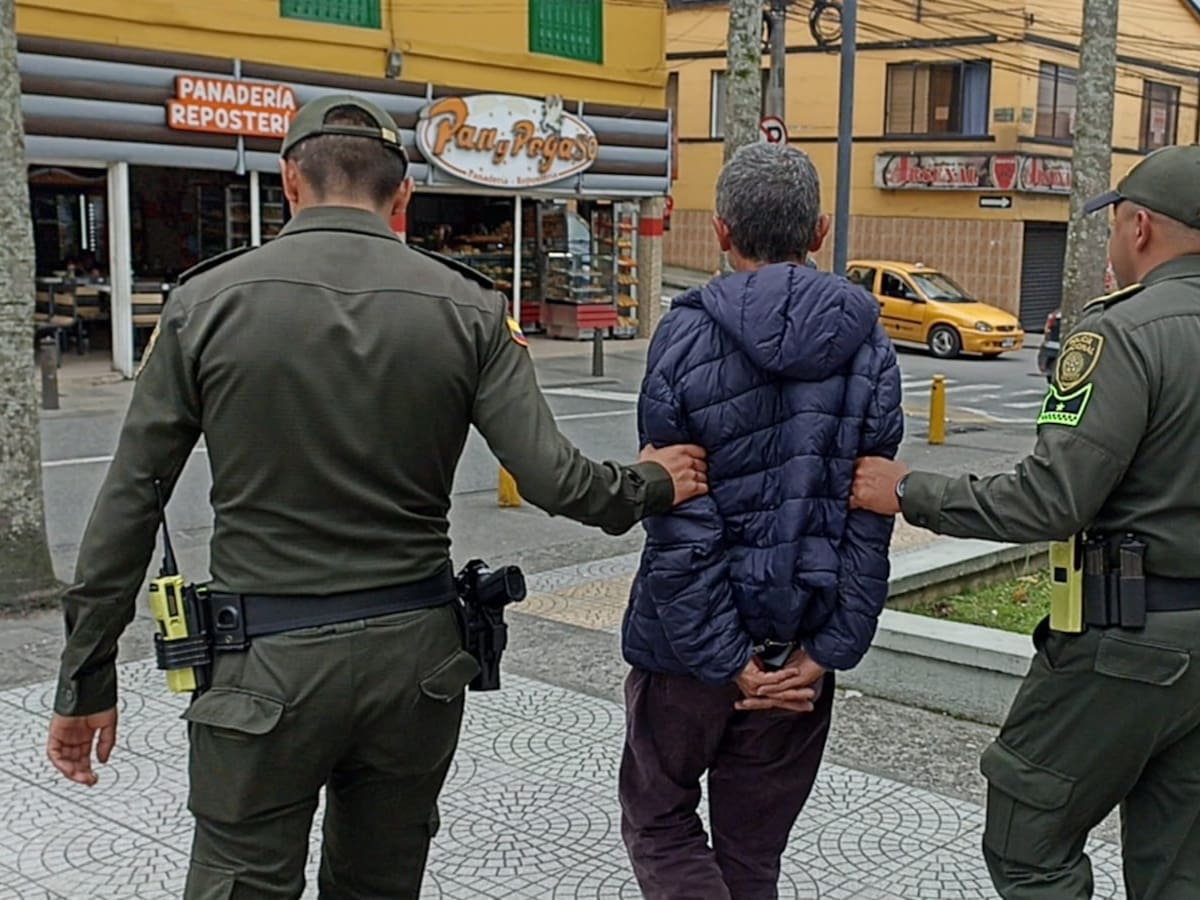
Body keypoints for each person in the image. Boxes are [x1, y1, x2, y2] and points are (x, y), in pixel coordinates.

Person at [45, 95, 709, 900]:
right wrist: (651, 482)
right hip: (417, 663)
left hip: (263, 669)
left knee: (239, 882)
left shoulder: (204, 304)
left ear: (290, 182)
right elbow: (554, 478)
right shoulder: (470, 307)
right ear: (403, 198)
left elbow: (130, 499)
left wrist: (87, 681)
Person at [851, 144, 1200, 898]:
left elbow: (1051, 500)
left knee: (1026, 834)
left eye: (1115, 228)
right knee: (1179, 864)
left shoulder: (1124, 331)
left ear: (1140, 227)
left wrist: (910, 490)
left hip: (1128, 644)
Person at [619, 142, 904, 900]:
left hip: (683, 646)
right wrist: (829, 648)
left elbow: (677, 510)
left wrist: (721, 655)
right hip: (799, 643)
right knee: (752, 854)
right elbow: (871, 511)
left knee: (660, 820)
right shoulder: (869, 342)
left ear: (720, 231)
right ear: (818, 231)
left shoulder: (683, 333)